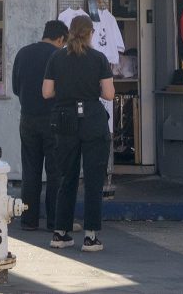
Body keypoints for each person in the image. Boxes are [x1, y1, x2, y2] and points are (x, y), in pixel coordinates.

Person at [43, 15, 114, 252]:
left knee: (66, 178)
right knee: (93, 180)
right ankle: (90, 236)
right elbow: (109, 94)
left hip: (64, 120)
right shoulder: (98, 58)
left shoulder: (56, 57)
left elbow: (46, 92)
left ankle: (60, 233)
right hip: (93, 119)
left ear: (70, 32)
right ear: (90, 33)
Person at [11, 19, 68, 231]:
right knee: (54, 171)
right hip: (53, 118)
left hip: (27, 118)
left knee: (31, 170)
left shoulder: (23, 53)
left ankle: (29, 220)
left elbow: (16, 87)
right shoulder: (59, 56)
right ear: (61, 38)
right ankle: (54, 221)